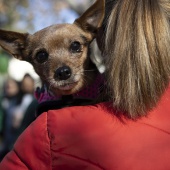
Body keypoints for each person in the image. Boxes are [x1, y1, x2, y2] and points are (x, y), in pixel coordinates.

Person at [1, 0, 170, 169]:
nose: (62, 68)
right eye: (42, 56)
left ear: (96, 35)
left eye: (75, 47)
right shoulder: (39, 113)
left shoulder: (44, 130)